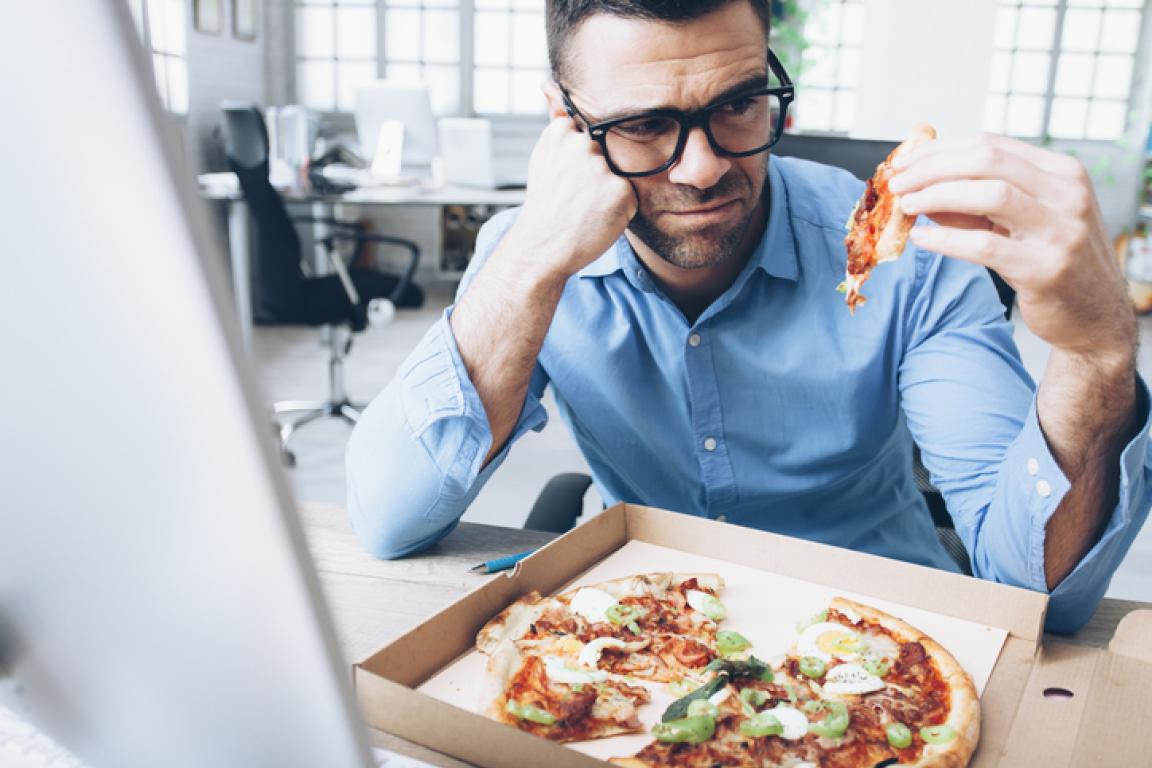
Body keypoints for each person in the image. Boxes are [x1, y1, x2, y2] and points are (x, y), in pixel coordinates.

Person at [346, 0, 1151, 633]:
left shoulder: (911, 258)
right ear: (565, 120)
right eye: (642, 123)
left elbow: (1039, 592)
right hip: (635, 641)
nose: (702, 171)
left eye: (737, 105)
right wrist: (528, 264)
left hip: (884, 647)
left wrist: (1097, 356)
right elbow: (388, 518)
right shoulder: (528, 257)